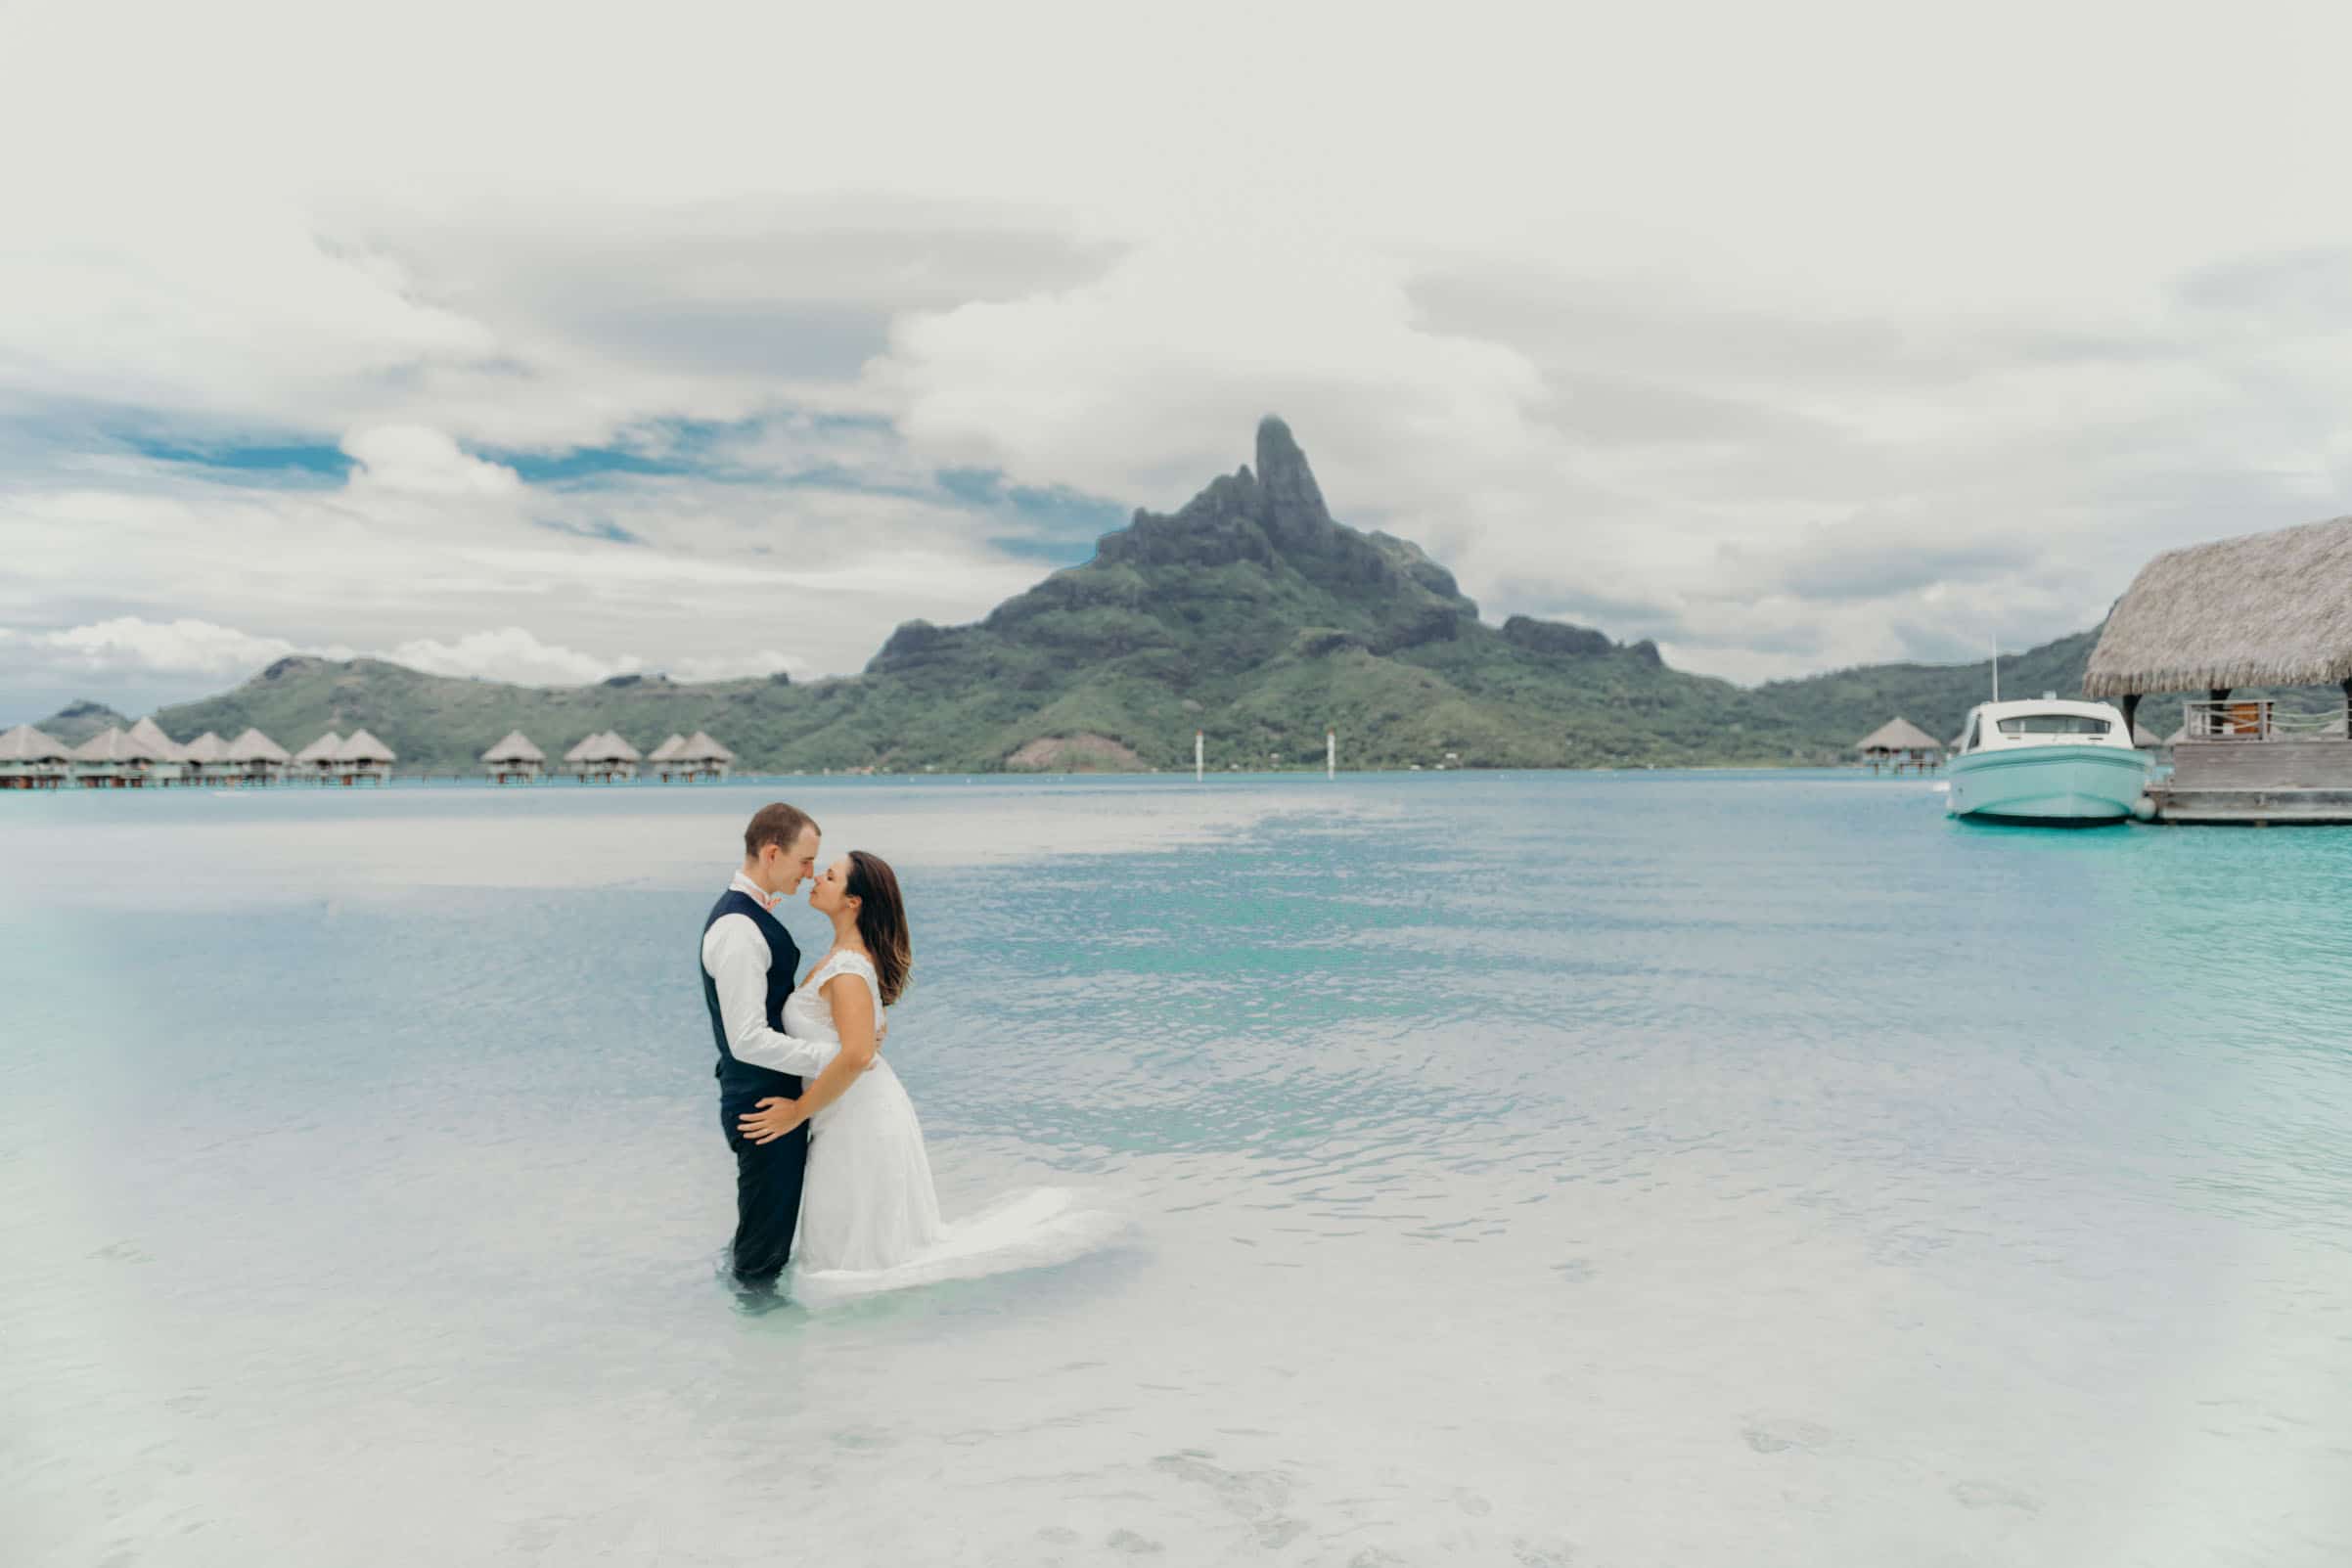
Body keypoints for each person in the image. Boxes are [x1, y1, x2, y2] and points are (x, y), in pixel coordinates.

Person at [735, 851, 941, 1275]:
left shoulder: (847, 969)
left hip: (857, 1121)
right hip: (846, 1113)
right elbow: (855, 1040)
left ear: (854, 902)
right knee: (840, 1250)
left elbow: (858, 1054)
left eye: (829, 876)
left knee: (848, 1257)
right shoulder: (841, 958)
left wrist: (795, 1113)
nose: (816, 879)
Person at [699, 803, 830, 1291]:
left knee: (761, 1239)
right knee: (761, 1257)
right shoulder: (738, 929)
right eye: (805, 861)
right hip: (765, 1108)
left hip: (769, 1097)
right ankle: (758, 1341)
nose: (810, 874)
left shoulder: (750, 918)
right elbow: (747, 1039)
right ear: (772, 853)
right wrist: (831, 1059)